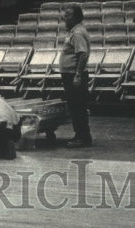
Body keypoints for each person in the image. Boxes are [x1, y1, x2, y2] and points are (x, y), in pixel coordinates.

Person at [60, 4, 92, 147]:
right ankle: (81, 135)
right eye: (65, 15)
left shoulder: (77, 33)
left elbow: (83, 54)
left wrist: (78, 75)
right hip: (71, 74)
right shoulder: (74, 31)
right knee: (76, 106)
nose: (65, 18)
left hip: (74, 75)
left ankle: (83, 138)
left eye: (68, 16)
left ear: (76, 18)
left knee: (77, 107)